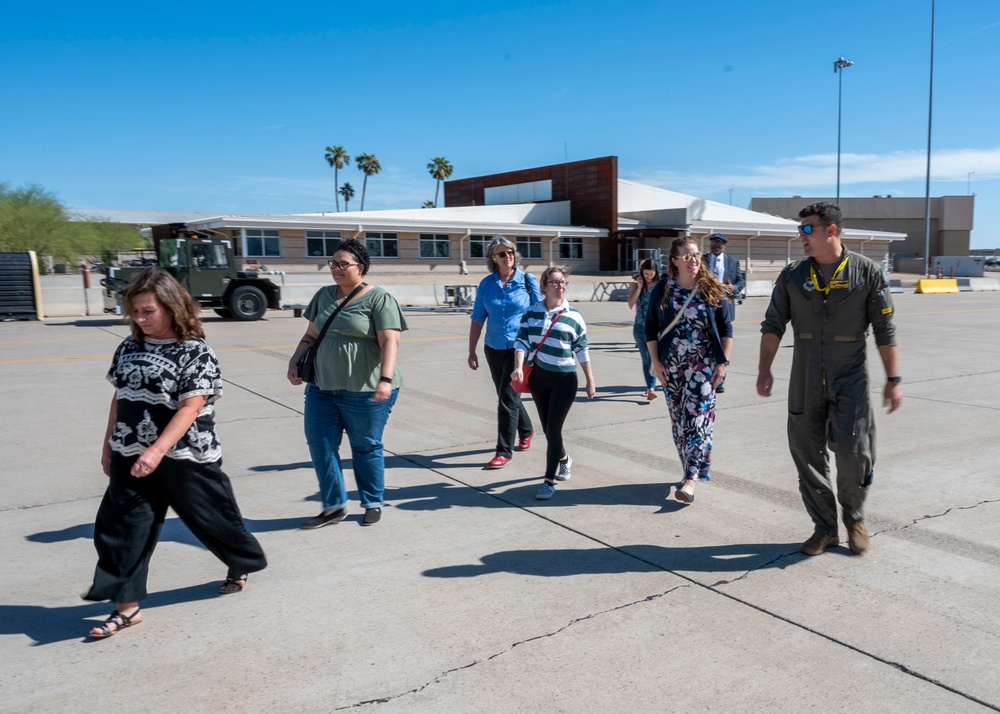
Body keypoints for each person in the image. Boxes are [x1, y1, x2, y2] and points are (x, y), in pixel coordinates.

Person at [84, 267, 267, 638]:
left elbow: (191, 406)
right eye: (134, 311)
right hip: (129, 452)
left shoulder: (195, 351)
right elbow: (120, 396)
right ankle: (126, 607)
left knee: (213, 519)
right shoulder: (130, 346)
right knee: (120, 529)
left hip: (187, 457)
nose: (140, 318)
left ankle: (239, 562)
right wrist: (108, 443)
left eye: (148, 311)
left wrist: (156, 451)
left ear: (171, 307)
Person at [757, 202, 902, 556]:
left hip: (850, 377)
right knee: (805, 452)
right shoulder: (793, 276)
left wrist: (893, 378)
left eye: (807, 229)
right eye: (800, 229)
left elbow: (884, 329)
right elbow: (773, 323)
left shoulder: (867, 273)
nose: (801, 236)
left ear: (831, 231)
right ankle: (824, 528)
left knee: (855, 453)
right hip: (805, 378)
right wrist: (764, 368)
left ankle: (854, 518)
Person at [287, 238, 407, 529]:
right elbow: (311, 335)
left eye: (343, 264)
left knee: (366, 447)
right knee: (320, 445)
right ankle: (334, 506)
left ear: (360, 267)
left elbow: (390, 340)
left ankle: (372, 501)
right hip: (322, 387)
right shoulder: (324, 295)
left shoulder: (379, 298)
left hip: (365, 389)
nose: (336, 268)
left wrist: (386, 380)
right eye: (333, 263)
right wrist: (294, 360)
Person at [645, 237, 732, 504]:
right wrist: (656, 362)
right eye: (686, 256)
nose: (693, 260)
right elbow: (650, 328)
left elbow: (727, 328)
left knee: (696, 419)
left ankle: (691, 479)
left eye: (696, 255)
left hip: (703, 366)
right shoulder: (663, 289)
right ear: (674, 261)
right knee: (679, 424)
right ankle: (689, 468)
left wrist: (723, 363)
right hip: (672, 367)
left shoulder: (711, 289)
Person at [511, 267, 596, 500]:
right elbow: (521, 341)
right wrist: (518, 366)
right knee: (549, 430)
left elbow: (582, 349)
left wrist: (590, 380)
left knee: (553, 429)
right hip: (539, 379)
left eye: (563, 282)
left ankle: (548, 481)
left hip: (565, 380)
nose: (560, 286)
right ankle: (564, 459)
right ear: (544, 286)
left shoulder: (574, 316)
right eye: (555, 282)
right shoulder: (531, 313)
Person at [468, 236, 543, 469]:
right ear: (494, 258)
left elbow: (540, 314)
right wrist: (471, 350)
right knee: (506, 395)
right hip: (493, 347)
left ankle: (503, 450)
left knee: (508, 399)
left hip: (520, 349)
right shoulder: (487, 284)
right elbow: (478, 317)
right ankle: (527, 429)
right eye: (502, 254)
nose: (508, 256)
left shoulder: (527, 282)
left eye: (510, 252)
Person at [707, 233, 744, 393]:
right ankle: (706, 376)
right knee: (707, 344)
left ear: (724, 246)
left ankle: (720, 381)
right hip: (705, 306)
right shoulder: (702, 261)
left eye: (719, 244)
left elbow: (741, 282)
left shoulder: (733, 262)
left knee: (723, 344)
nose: (716, 246)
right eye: (714, 243)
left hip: (725, 306)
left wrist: (733, 288)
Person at [626, 258, 660, 400]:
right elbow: (630, 303)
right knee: (646, 359)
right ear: (641, 272)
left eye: (651, 274)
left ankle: (656, 385)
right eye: (646, 273)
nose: (648, 276)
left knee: (655, 358)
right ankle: (650, 388)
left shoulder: (659, 285)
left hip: (655, 328)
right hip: (639, 327)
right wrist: (639, 288)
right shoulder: (636, 285)